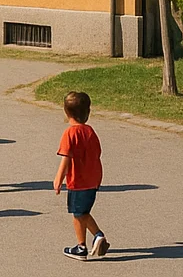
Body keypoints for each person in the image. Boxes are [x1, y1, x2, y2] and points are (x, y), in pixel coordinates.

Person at [54, 91, 109, 260]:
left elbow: (66, 159)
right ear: (87, 112)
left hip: (78, 181)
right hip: (93, 179)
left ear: (66, 112)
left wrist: (58, 179)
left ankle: (81, 247)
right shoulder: (90, 132)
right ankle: (98, 236)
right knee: (84, 212)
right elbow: (97, 153)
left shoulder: (69, 134)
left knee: (78, 215)